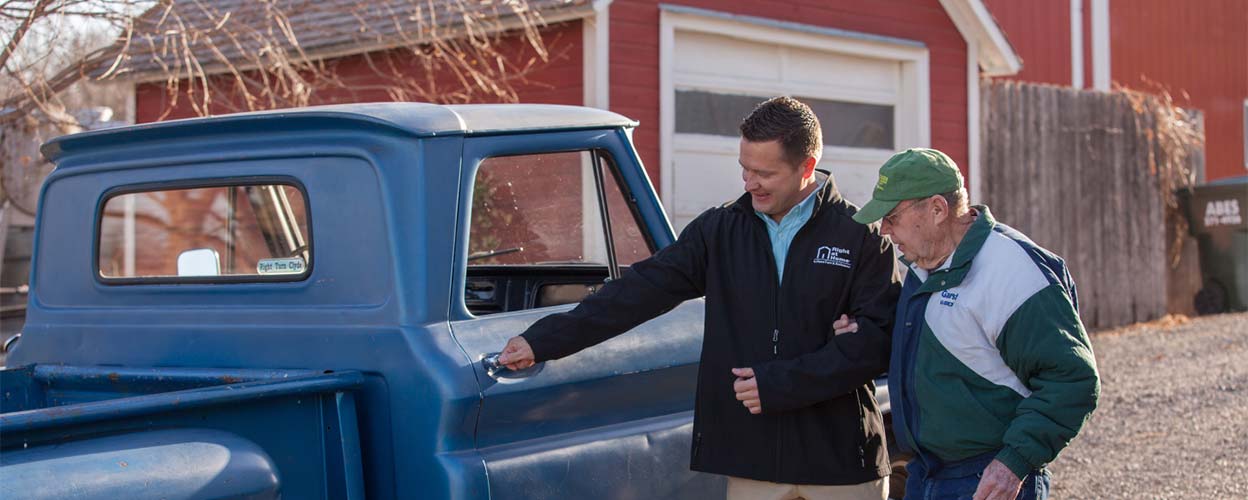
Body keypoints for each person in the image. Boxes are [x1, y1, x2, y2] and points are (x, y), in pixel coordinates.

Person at [497, 96, 900, 499]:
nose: (749, 183)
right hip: (752, 459)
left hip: (842, 459)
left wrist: (778, 384)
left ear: (807, 167)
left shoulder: (861, 236)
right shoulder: (719, 230)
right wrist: (543, 339)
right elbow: (637, 292)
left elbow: (874, 344)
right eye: (744, 169)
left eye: (764, 173)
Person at [850, 148, 1100, 500]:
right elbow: (947, 340)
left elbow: (1073, 380)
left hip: (987, 478)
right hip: (927, 473)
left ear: (937, 209)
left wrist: (1013, 463)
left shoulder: (1011, 270)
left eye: (892, 216)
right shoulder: (925, 263)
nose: (885, 230)